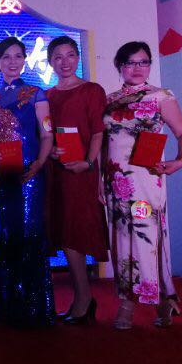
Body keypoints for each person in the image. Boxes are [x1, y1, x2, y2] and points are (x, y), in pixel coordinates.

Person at [103, 41, 182, 329]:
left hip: (145, 180)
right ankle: (147, 299)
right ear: (119, 66)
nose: (137, 68)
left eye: (143, 62)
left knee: (147, 236)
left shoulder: (160, 97)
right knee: (121, 239)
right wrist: (99, 181)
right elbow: (104, 144)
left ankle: (147, 302)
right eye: (130, 62)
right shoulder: (109, 100)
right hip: (115, 180)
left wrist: (181, 161)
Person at [0, 37, 55, 328]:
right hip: (1, 175)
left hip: (29, 174)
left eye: (17, 56)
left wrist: (39, 163)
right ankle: (6, 306)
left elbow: (47, 134)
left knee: (29, 231)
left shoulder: (36, 94)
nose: (12, 61)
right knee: (6, 230)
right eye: (6, 57)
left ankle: (35, 308)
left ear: (24, 60)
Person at [46, 36, 108, 325]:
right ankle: (82, 298)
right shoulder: (47, 95)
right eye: (58, 57)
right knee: (65, 231)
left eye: (70, 55)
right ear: (50, 62)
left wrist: (89, 163)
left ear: (78, 58)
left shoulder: (92, 90)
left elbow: (98, 131)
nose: (65, 62)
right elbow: (45, 133)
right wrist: (50, 150)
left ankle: (84, 299)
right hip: (57, 171)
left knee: (77, 230)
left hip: (82, 172)